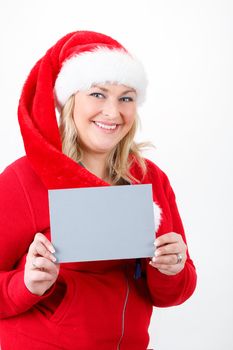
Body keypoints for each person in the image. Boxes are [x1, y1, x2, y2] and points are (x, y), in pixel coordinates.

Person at [0, 30, 197, 350]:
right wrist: (24, 284)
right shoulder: (24, 180)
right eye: (98, 94)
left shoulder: (150, 179)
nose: (112, 112)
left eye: (126, 98)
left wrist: (172, 269)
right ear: (70, 100)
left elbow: (175, 292)